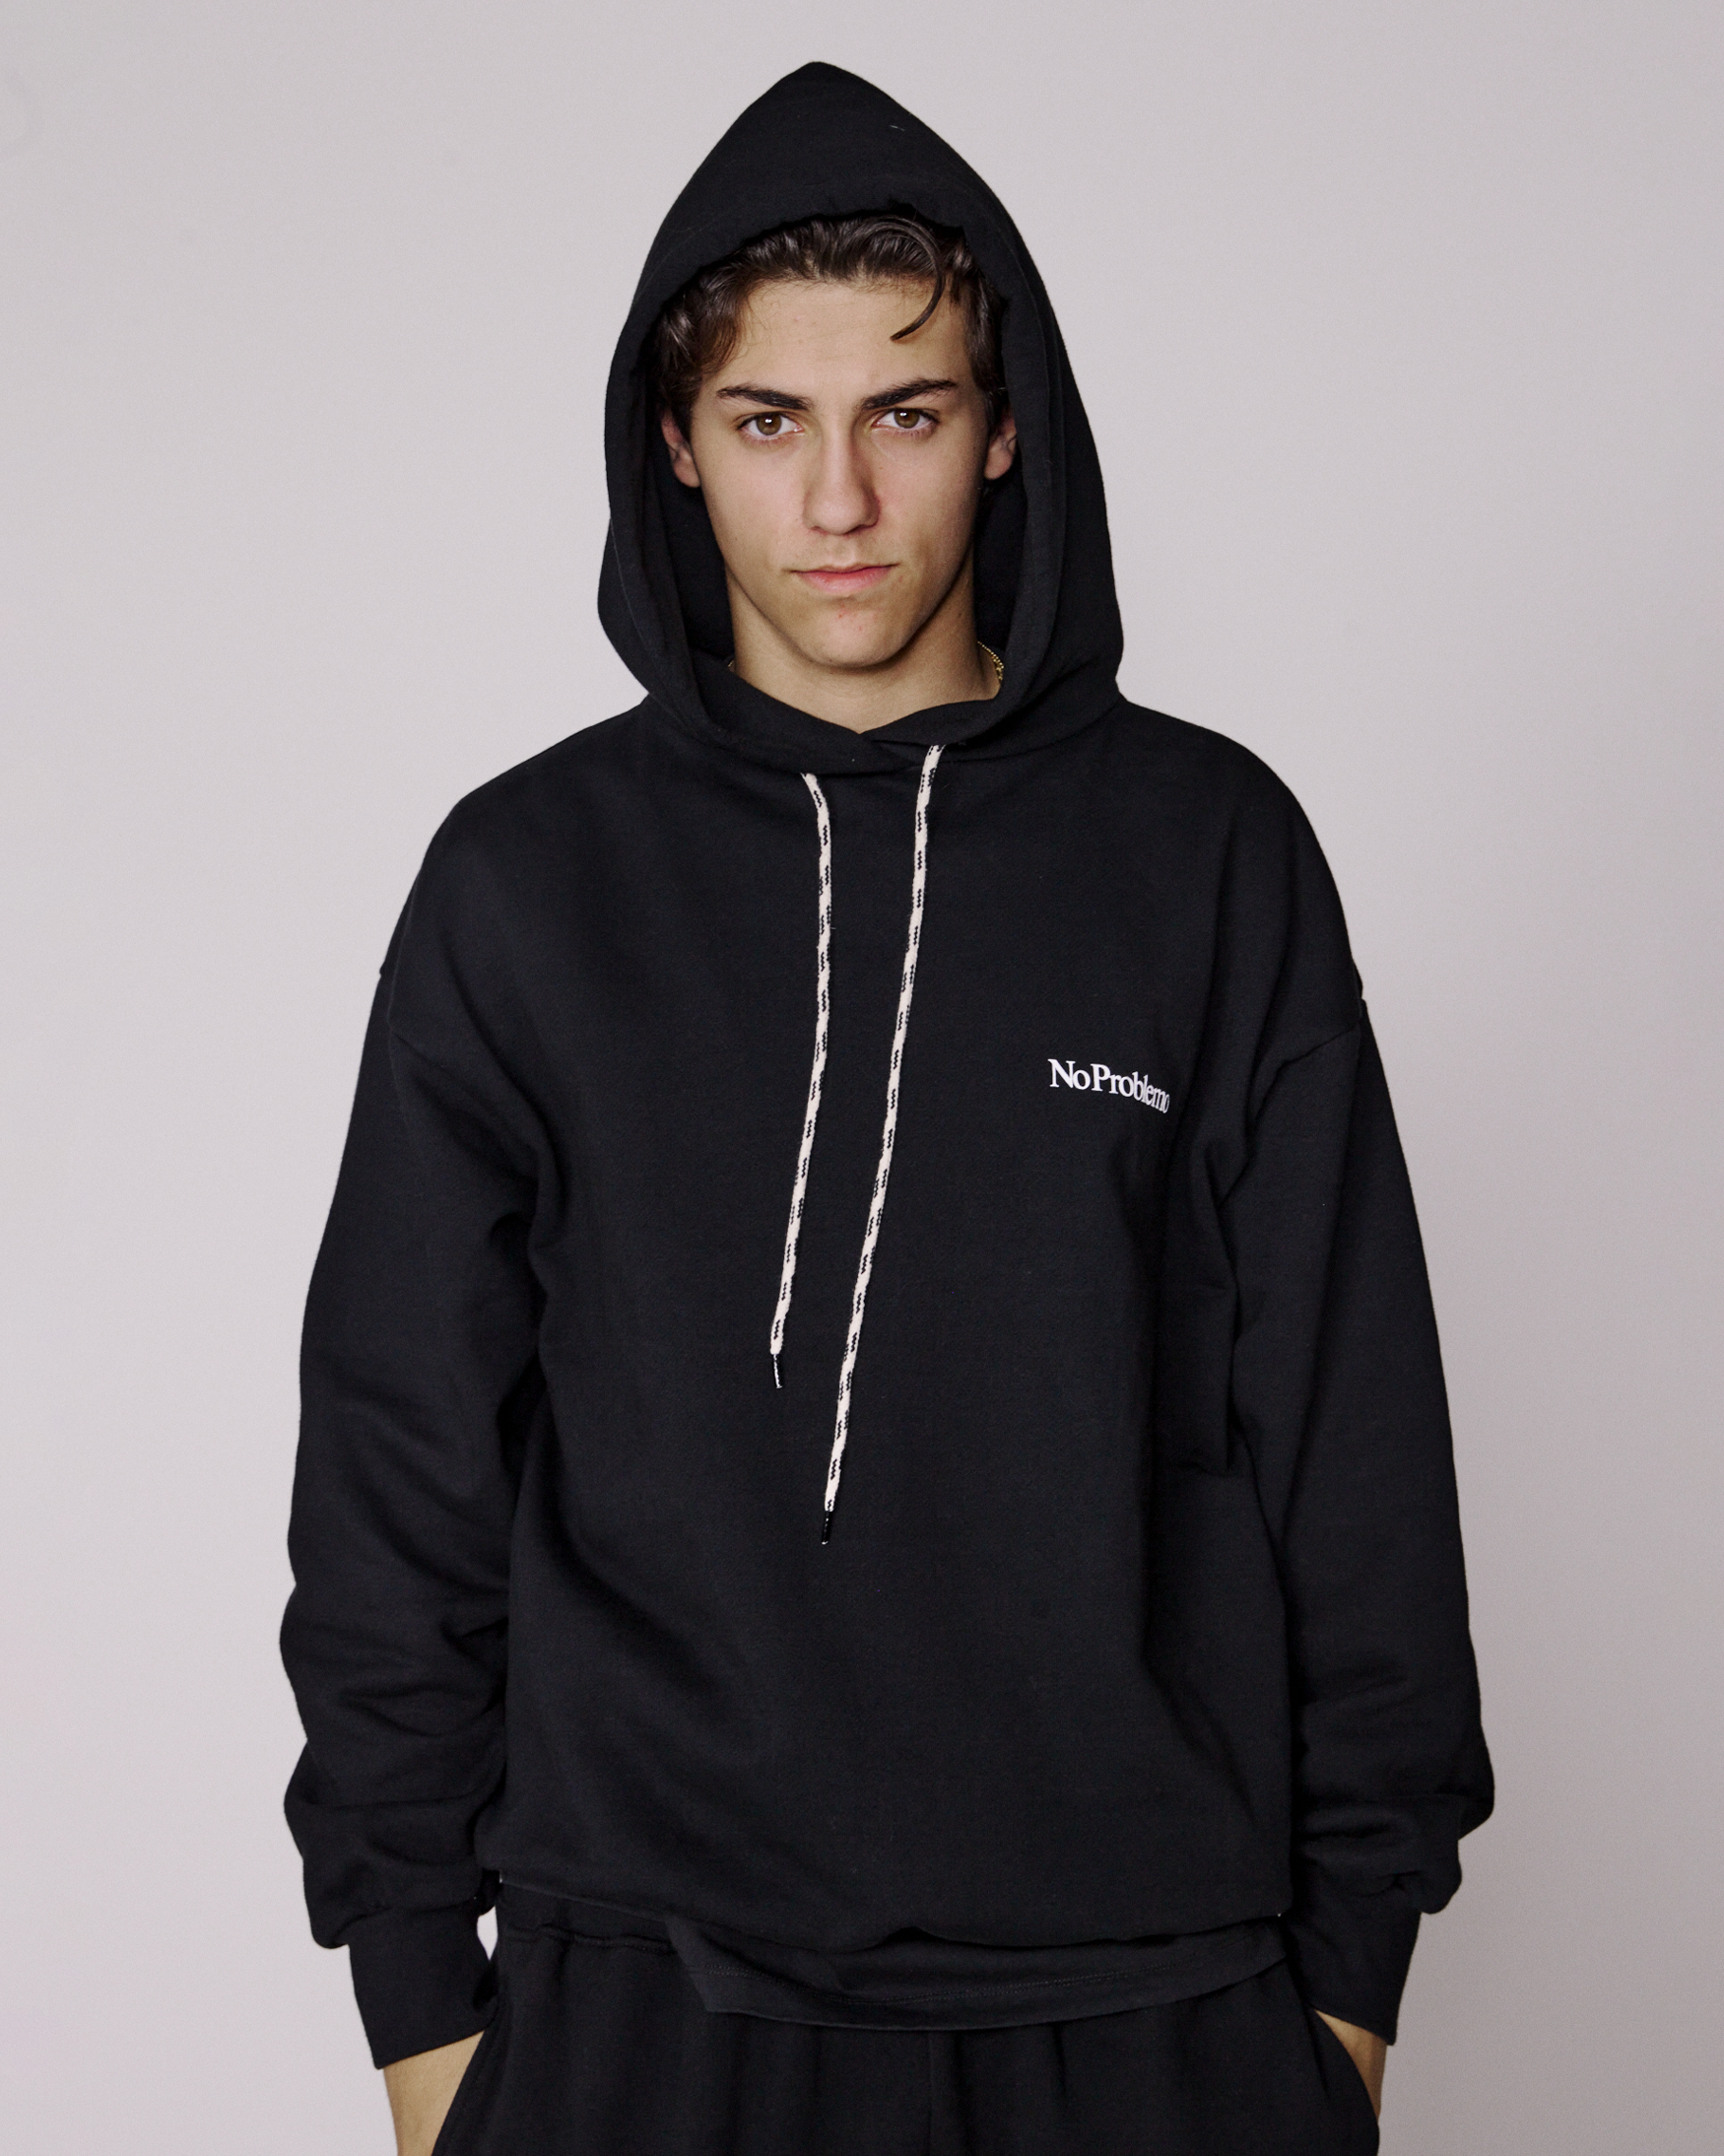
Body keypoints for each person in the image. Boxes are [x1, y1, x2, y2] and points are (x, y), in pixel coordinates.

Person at [281, 61, 1492, 2156]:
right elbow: (399, 1454)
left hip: (1153, 2004)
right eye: (770, 421)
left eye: (904, 415)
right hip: (641, 2004)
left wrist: (1345, 1994)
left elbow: (1351, 1422)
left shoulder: (1206, 852)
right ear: (676, 444)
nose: (838, 501)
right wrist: (418, 2005)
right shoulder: (527, 882)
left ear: (1004, 428)